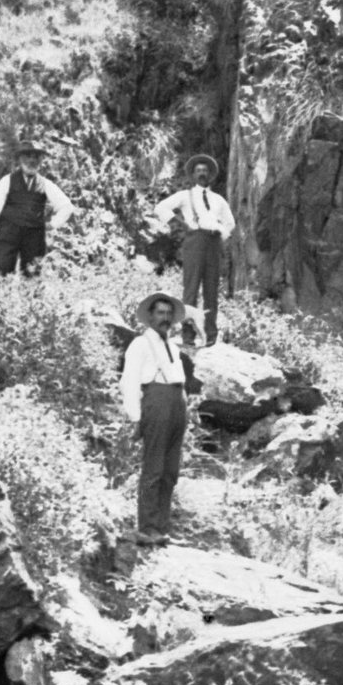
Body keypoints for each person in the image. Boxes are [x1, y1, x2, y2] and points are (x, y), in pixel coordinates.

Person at [120, 290, 190, 546]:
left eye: (169, 313)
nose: (165, 318)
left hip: (177, 404)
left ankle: (161, 527)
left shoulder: (172, 345)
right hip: (156, 403)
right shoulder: (140, 344)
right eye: (160, 313)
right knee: (154, 468)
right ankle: (147, 528)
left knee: (170, 470)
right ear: (150, 317)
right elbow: (129, 381)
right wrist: (135, 417)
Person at [145, 153, 235, 345]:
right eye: (198, 171)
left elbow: (230, 223)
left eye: (205, 171)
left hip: (213, 244)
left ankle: (211, 335)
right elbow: (161, 208)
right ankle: (188, 335)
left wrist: (220, 233)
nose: (202, 174)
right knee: (191, 289)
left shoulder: (218, 199)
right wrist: (181, 224)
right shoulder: (185, 196)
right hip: (194, 241)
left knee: (211, 290)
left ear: (210, 175)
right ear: (193, 175)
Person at [0, 144, 75, 279]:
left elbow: (67, 206)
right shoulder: (7, 181)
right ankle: (0, 292)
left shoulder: (45, 184)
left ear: (40, 161)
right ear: (20, 159)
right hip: (8, 234)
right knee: (1, 273)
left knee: (32, 275)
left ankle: (30, 292)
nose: (32, 161)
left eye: (36, 157)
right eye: (27, 156)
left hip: (33, 238)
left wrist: (52, 224)